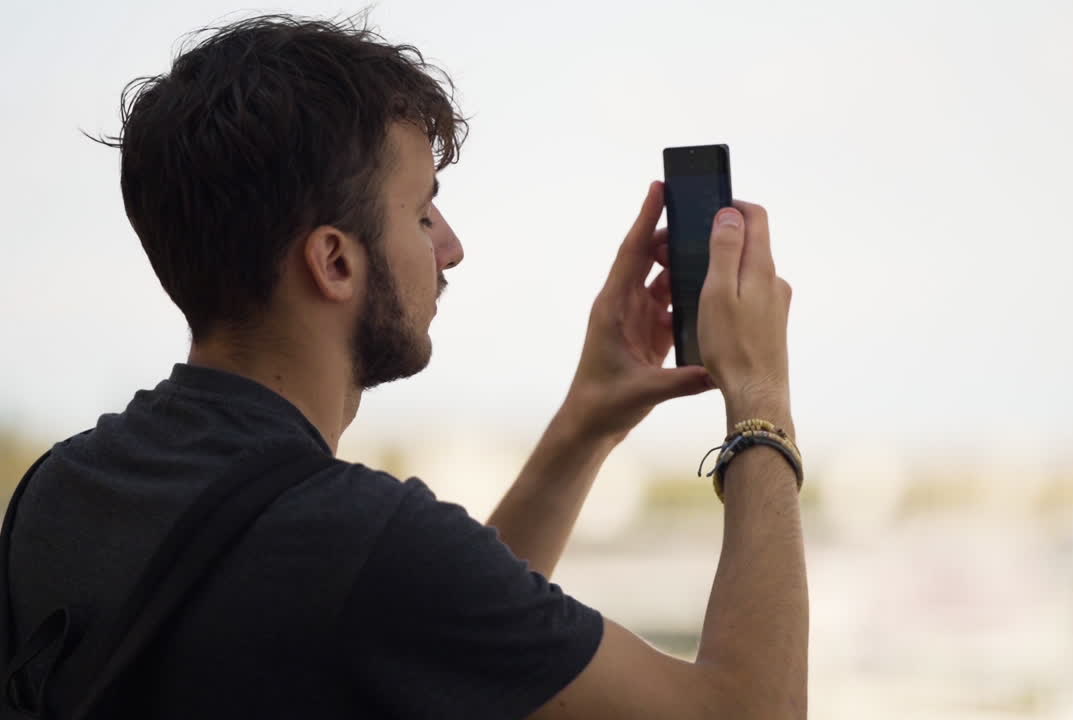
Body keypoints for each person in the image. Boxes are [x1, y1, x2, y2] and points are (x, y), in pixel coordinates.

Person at [7, 13, 807, 720]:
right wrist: (760, 398)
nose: (451, 248)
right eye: (423, 213)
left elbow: (427, 632)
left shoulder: (63, 490)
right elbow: (752, 712)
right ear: (334, 262)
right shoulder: (358, 540)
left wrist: (586, 424)